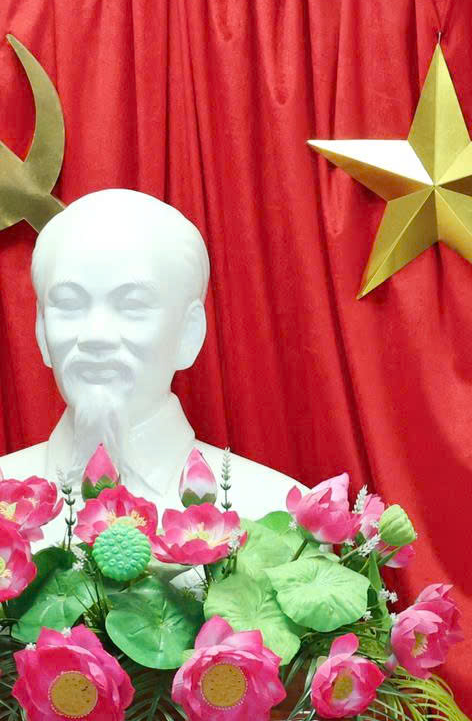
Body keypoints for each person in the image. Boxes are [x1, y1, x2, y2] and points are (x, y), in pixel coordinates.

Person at [0, 188, 303, 518]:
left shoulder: (275, 510)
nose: (95, 336)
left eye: (132, 305)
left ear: (189, 333)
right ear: (41, 330)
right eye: (69, 304)